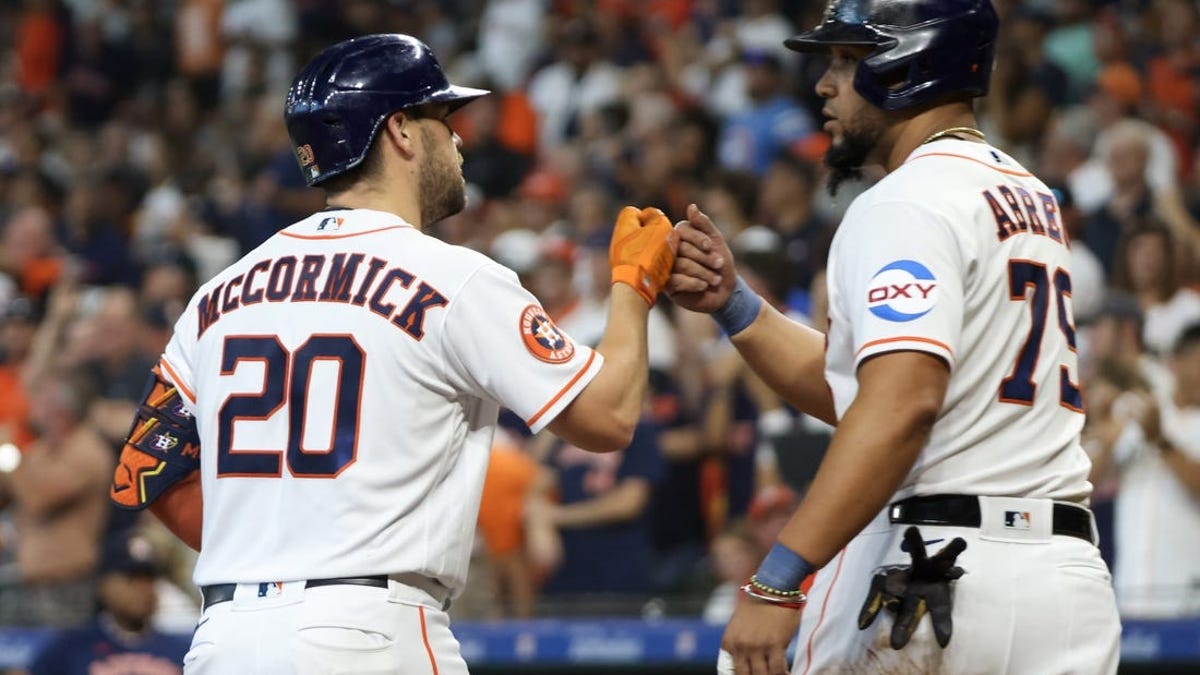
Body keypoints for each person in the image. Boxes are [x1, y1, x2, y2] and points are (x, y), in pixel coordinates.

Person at [106, 34, 677, 673]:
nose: (458, 140)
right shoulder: (454, 277)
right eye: (444, 119)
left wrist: (270, 558)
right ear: (401, 130)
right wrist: (633, 286)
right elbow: (610, 417)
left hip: (226, 637)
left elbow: (145, 472)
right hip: (370, 631)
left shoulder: (218, 294)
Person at [666, 2, 1121, 673]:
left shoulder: (906, 199)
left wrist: (778, 576)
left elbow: (900, 406)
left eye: (848, 62)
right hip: (1065, 583)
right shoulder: (1029, 194)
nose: (824, 83)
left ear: (910, 65)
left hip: (940, 572)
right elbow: (869, 392)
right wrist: (736, 307)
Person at [26, 532, 191, 675]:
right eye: (131, 579)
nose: (143, 589)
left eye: (149, 579)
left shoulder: (181, 650)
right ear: (104, 585)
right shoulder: (71, 646)